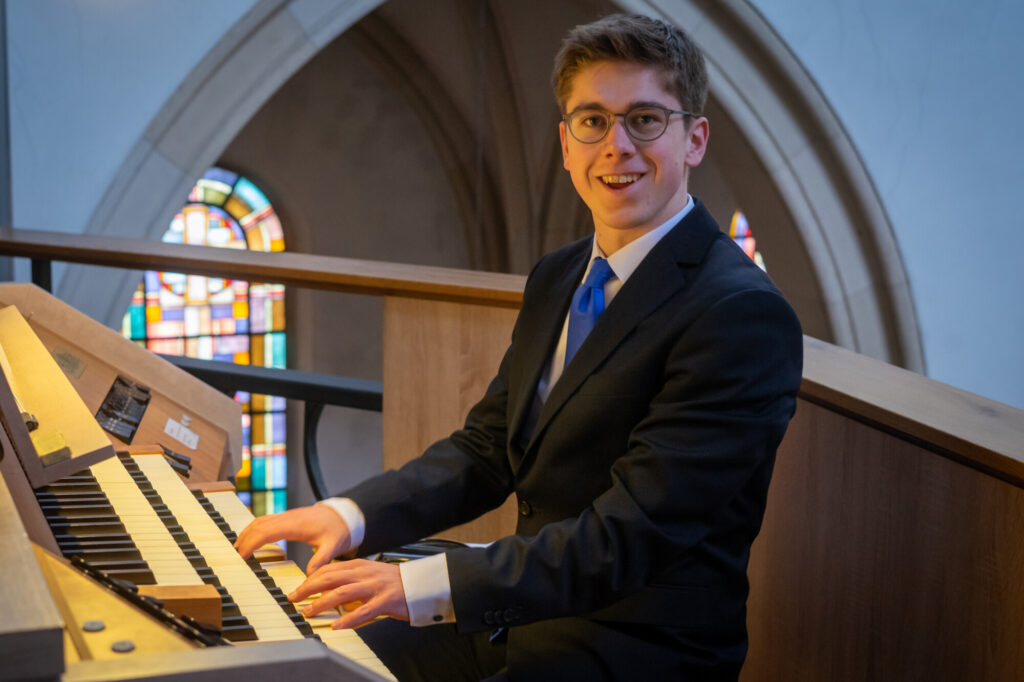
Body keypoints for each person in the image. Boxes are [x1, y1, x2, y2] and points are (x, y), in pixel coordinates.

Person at [235, 13, 803, 681]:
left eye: (645, 119)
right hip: (522, 611)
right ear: (567, 144)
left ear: (695, 139)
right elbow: (489, 445)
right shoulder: (559, 275)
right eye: (593, 121)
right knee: (312, 658)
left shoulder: (739, 313)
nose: (616, 145)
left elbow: (627, 539)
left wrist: (419, 583)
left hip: (635, 647)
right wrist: (351, 515)